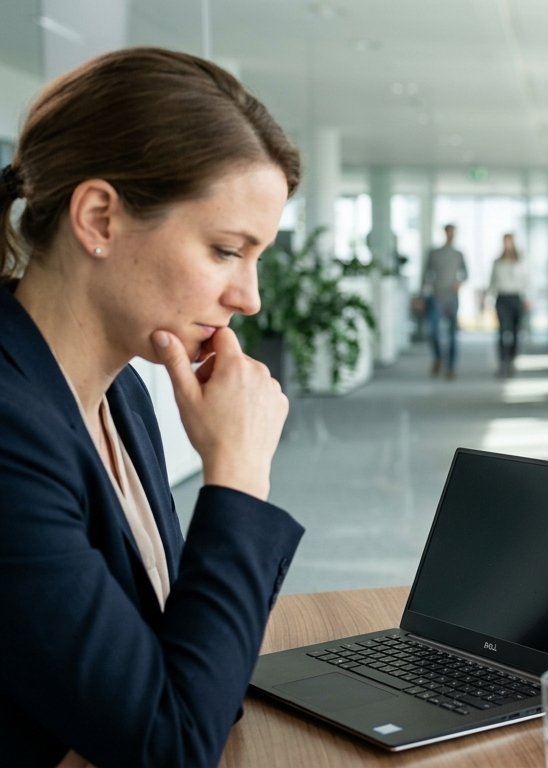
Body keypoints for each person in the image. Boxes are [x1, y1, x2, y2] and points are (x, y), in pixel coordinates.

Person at [0, 48, 305, 764]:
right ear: (100, 218)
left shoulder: (123, 392)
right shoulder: (10, 431)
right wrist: (236, 473)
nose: (249, 297)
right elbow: (171, 744)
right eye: (227, 249)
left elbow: (193, 680)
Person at [422, 223, 468, 380]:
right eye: (449, 233)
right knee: (433, 332)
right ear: (445, 233)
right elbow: (425, 275)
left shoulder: (458, 254)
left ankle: (451, 367)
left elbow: (466, 274)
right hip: (436, 297)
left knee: (453, 334)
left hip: (452, 297)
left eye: (453, 233)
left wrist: (460, 282)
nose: (451, 235)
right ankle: (438, 358)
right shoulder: (434, 253)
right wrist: (421, 297)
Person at [487, 233, 528, 378]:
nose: (507, 245)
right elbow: (492, 282)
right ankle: (502, 362)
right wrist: (487, 299)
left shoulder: (521, 260)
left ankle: (512, 360)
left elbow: (527, 280)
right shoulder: (497, 262)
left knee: (516, 332)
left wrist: (529, 298)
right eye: (505, 242)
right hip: (502, 298)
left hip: (516, 298)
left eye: (509, 242)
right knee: (503, 331)